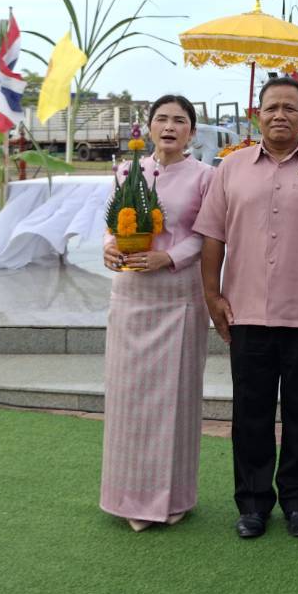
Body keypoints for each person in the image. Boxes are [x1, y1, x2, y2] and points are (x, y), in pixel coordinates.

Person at [195, 77, 298, 540]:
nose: (280, 115)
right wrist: (213, 295)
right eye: (272, 107)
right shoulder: (230, 169)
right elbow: (213, 237)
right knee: (251, 411)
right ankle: (252, 503)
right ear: (257, 115)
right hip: (245, 311)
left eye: (290, 107)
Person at [100, 95, 214, 532]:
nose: (169, 127)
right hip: (131, 296)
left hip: (179, 296)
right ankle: (126, 496)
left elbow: (208, 235)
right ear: (149, 127)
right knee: (128, 400)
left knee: (176, 399)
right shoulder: (127, 172)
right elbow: (112, 225)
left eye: (179, 121)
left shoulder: (205, 177)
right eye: (162, 119)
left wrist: (169, 259)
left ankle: (172, 498)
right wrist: (109, 249)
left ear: (192, 131)